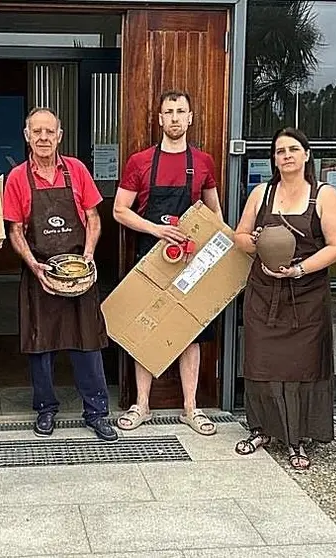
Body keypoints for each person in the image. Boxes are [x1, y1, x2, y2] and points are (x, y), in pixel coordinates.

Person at [233, 127, 336, 470]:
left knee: (301, 367)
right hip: (264, 292)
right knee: (261, 363)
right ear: (274, 158)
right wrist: (256, 242)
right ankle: (262, 429)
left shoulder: (324, 195)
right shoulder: (261, 193)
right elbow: (238, 235)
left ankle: (297, 439)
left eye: (293, 149)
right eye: (280, 150)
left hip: (306, 295)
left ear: (306, 154)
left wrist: (300, 270)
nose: (286, 155)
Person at [113, 90, 224, 436]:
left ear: (190, 118)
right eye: (168, 112)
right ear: (159, 119)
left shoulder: (203, 162)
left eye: (181, 112)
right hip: (150, 256)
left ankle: (191, 408)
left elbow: (214, 213)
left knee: (189, 331)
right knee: (145, 327)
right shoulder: (140, 161)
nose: (175, 118)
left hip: (190, 259)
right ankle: (141, 404)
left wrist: (219, 252)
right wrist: (157, 230)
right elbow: (119, 210)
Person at [2, 107, 117, 442]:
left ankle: (96, 412)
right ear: (27, 136)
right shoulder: (17, 179)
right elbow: (15, 230)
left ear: (59, 136)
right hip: (41, 273)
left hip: (79, 273)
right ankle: (45, 409)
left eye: (49, 132)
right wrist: (32, 265)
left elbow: (94, 218)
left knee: (88, 343)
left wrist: (88, 257)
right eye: (36, 131)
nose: (43, 138)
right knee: (41, 345)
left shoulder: (77, 170)